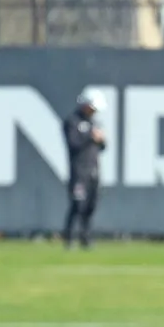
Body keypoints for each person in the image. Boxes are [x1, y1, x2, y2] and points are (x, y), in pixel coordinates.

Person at [62, 90, 107, 249]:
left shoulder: (95, 123)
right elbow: (73, 143)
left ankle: (86, 238)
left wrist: (101, 139)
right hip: (79, 171)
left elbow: (102, 147)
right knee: (77, 205)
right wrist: (90, 136)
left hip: (93, 169)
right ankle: (69, 238)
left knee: (91, 205)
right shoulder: (73, 121)